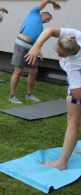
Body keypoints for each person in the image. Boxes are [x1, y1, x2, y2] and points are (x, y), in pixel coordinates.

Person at [25, 27, 81, 170]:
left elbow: (77, 95)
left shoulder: (73, 64)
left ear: (71, 52)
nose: (58, 55)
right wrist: (37, 45)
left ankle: (61, 163)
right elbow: (50, 30)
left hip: (78, 88)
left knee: (73, 120)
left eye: (60, 54)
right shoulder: (76, 36)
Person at [9, 0, 61, 104]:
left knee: (34, 71)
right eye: (48, 17)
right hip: (21, 44)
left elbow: (38, 42)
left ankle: (29, 95)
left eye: (49, 20)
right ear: (43, 13)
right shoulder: (34, 13)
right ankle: (12, 96)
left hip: (31, 48)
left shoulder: (41, 28)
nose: (48, 20)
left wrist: (39, 50)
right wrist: (54, 3)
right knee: (18, 71)